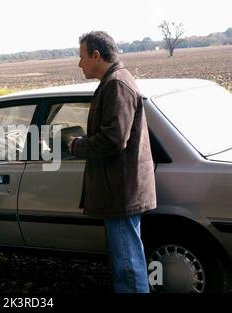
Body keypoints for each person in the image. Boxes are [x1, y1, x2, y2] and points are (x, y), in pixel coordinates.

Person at [68, 31, 157, 293]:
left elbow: (113, 140)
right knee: (128, 261)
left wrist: (77, 145)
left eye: (82, 56)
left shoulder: (116, 84)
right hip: (121, 190)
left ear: (96, 55)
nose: (79, 63)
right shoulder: (115, 81)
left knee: (128, 266)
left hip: (121, 193)